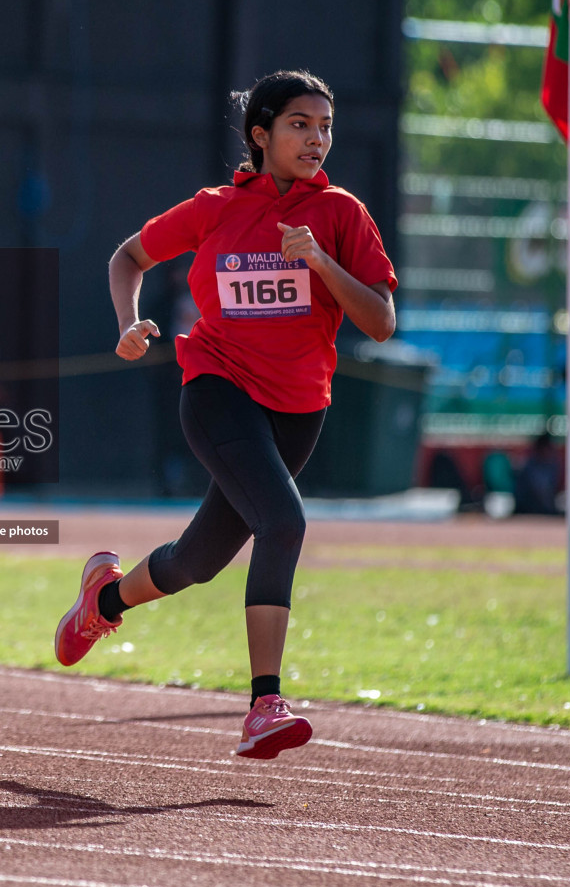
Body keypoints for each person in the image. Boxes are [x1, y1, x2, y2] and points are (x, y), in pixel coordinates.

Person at [54, 70, 396, 760]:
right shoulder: (214, 208)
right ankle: (265, 702)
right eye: (300, 124)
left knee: (197, 562)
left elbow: (382, 323)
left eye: (326, 126)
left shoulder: (342, 215)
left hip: (299, 409)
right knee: (285, 521)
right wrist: (129, 322)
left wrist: (322, 262)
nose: (317, 139)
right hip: (216, 388)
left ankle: (104, 601)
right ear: (261, 134)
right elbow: (129, 256)